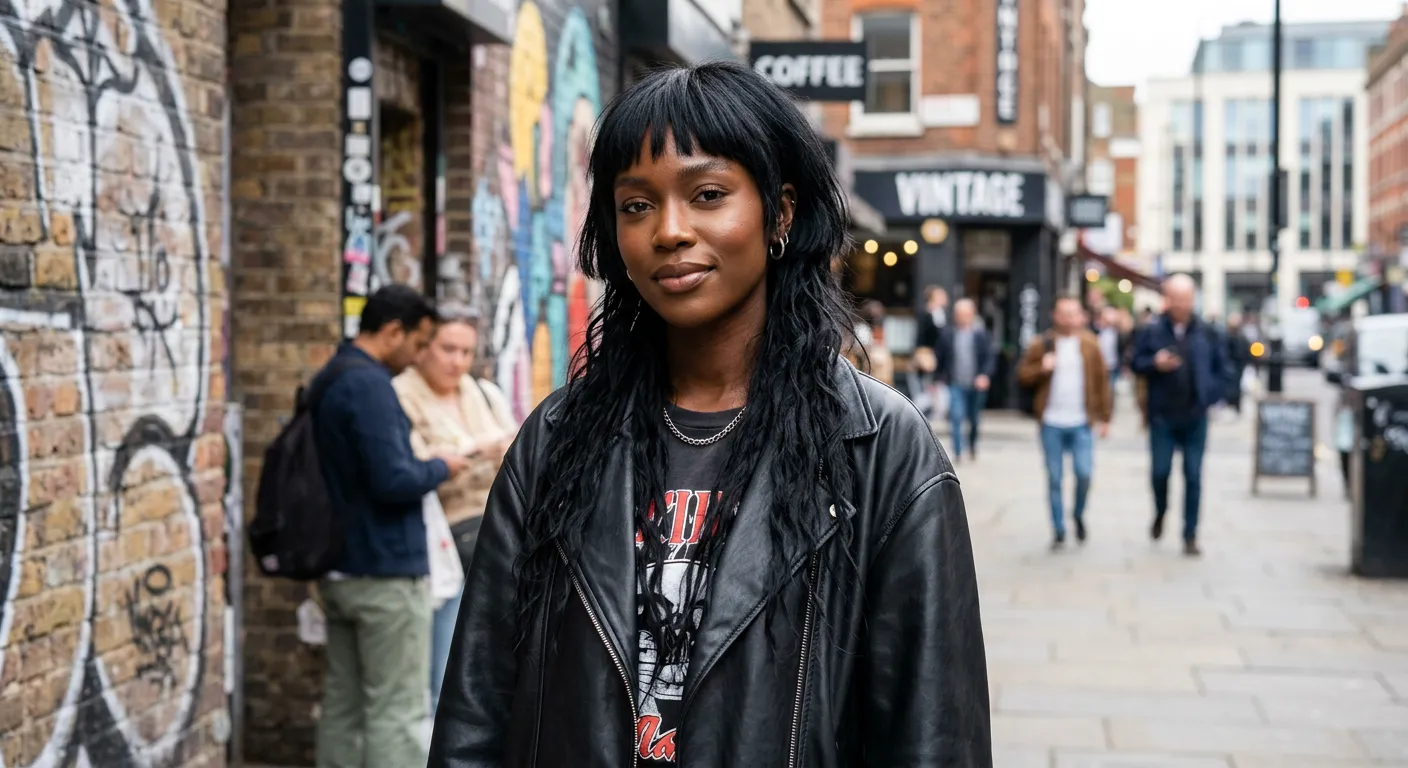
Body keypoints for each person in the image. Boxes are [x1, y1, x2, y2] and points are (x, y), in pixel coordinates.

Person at [429, 61, 991, 767]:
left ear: (779, 213)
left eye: (708, 194)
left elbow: (933, 732)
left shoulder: (878, 447)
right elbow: (477, 710)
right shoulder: (558, 439)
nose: (670, 231)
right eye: (636, 205)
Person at [312, 285, 471, 768]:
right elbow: (393, 478)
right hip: (386, 573)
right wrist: (440, 466)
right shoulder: (370, 386)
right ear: (392, 331)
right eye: (421, 343)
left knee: (344, 702)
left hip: (339, 567)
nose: (421, 354)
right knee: (396, 711)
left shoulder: (330, 376)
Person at [393, 311, 521, 716]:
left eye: (466, 351)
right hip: (442, 538)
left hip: (496, 526)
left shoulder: (481, 392)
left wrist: (483, 452)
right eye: (448, 349)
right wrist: (476, 452)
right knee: (447, 657)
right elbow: (408, 465)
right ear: (423, 348)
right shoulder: (401, 393)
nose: (458, 361)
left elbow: (518, 447)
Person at [1129, 274, 1233, 557]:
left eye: (1186, 299)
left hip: (1195, 415)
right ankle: (1160, 511)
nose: (1181, 305)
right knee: (1160, 472)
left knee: (1194, 475)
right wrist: (1154, 363)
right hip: (1162, 415)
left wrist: (1211, 396)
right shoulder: (1151, 331)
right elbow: (1135, 363)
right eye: (1176, 299)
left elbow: (1223, 369)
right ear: (1167, 300)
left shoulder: (1208, 331)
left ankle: (1190, 533)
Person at [1017, 296, 1113, 548]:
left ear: (1081, 316)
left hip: (1082, 421)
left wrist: (1105, 418)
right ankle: (1059, 528)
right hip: (1051, 422)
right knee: (1054, 477)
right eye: (1064, 313)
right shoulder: (1043, 343)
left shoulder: (1091, 345)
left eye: (1074, 313)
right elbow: (1022, 375)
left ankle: (1078, 514)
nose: (1069, 319)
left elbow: (1102, 382)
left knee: (1084, 473)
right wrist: (1042, 368)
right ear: (1055, 316)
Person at [936, 298, 996, 462]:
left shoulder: (981, 334)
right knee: (956, 416)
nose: (962, 317)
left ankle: (972, 444)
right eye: (959, 314)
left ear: (972, 315)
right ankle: (957, 450)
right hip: (955, 383)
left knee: (974, 418)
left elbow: (989, 357)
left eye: (965, 314)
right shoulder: (948, 334)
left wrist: (985, 375)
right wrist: (937, 380)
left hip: (976, 384)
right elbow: (940, 358)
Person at [915, 285, 950, 418]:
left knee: (936, 387)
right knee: (928, 387)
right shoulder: (928, 314)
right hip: (929, 357)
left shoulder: (939, 314)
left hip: (938, 357)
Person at [1223, 312, 1253, 417]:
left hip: (1239, 365)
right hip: (1230, 365)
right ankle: (1229, 405)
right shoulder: (1226, 335)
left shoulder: (1241, 335)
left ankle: (1236, 406)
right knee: (1230, 387)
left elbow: (1246, 349)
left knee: (1237, 387)